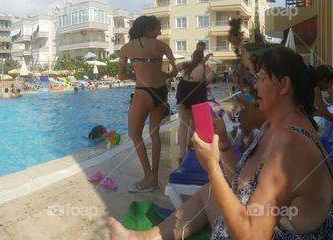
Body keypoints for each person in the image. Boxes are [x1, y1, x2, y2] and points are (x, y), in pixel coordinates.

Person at [109, 46, 333, 239]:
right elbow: (245, 183)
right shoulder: (275, 125)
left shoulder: (290, 142)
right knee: (210, 191)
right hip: (263, 224)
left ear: (284, 86)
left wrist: (212, 167)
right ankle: (144, 237)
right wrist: (224, 144)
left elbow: (252, 236)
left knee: (214, 185)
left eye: (262, 78)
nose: (255, 86)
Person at [117, 15, 177, 193]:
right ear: (147, 29)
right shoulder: (163, 46)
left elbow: (120, 75)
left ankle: (148, 177)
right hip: (161, 92)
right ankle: (154, 177)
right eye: (157, 28)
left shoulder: (126, 48)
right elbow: (175, 71)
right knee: (154, 133)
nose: (160, 32)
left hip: (143, 91)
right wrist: (165, 75)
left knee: (134, 134)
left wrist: (134, 75)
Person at [174, 47, 214, 164]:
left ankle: (182, 152)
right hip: (197, 92)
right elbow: (210, 79)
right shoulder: (204, 67)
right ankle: (193, 145)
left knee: (183, 124)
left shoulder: (186, 64)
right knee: (199, 124)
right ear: (202, 58)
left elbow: (174, 70)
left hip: (183, 90)